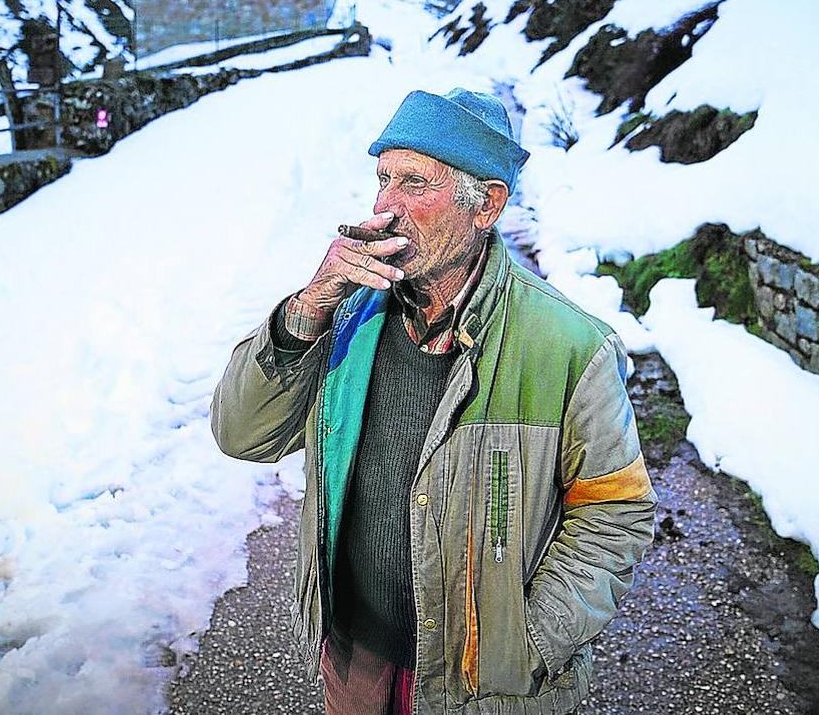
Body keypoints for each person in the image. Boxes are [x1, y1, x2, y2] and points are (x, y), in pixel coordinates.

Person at [210, 87, 657, 715]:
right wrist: (307, 309)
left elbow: (617, 514)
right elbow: (240, 434)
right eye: (382, 180)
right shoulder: (343, 315)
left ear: (488, 205)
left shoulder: (570, 347)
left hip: (483, 686)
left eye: (414, 184)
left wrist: (524, 642)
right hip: (354, 662)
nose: (385, 208)